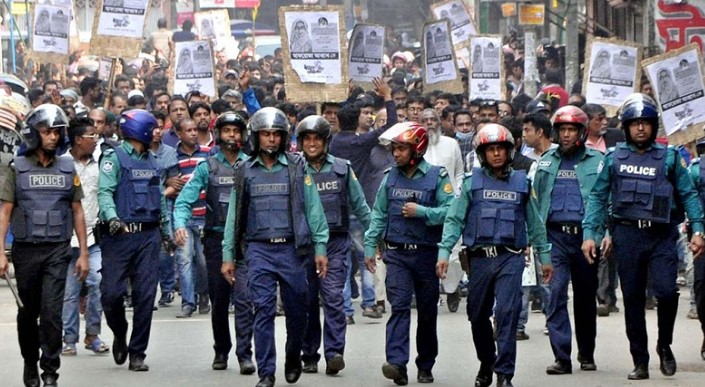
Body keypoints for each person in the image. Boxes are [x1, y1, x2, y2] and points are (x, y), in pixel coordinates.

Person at [582, 93, 705, 380]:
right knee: (634, 298)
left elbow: (688, 194)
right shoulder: (613, 158)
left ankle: (665, 344)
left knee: (666, 291)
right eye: (634, 123)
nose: (640, 128)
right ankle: (640, 359)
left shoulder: (671, 157)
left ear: (653, 125)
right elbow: (598, 197)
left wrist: (698, 229)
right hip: (627, 235)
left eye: (645, 123)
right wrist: (591, 233)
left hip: (662, 235)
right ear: (625, 127)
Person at [221, 107, 329, 387]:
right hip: (258, 251)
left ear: (283, 138)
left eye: (276, 135)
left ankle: (293, 356)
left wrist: (320, 247)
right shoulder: (244, 170)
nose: (271, 139)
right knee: (263, 310)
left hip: (293, 251)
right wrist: (228, 255)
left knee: (298, 312)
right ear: (256, 137)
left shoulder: (296, 167)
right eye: (265, 134)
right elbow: (234, 214)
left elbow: (313, 208)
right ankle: (266, 372)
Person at [437, 124, 552, 387]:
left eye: (501, 148)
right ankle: (487, 361)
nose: (497, 154)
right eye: (491, 150)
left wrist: (544, 257)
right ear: (482, 154)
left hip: (510, 258)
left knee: (507, 313)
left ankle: (504, 373)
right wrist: (444, 252)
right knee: (477, 316)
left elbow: (534, 224)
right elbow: (454, 219)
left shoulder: (523, 183)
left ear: (510, 151)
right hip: (479, 259)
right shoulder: (470, 184)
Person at [0, 104, 90, 387]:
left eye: (56, 132)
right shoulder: (18, 168)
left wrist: (84, 254)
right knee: (28, 313)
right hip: (26, 251)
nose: (53, 137)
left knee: (52, 314)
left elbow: (77, 211)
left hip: (57, 250)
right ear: (34, 134)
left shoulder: (67, 167)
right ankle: (30, 363)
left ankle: (50, 370)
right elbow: (5, 211)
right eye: (47, 131)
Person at [364, 122, 454, 385]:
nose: (396, 153)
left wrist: (423, 212)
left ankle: (425, 365)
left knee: (427, 312)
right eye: (394, 149)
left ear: (417, 148)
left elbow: (451, 211)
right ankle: (396, 363)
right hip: (397, 254)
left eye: (402, 148)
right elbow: (379, 214)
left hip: (426, 255)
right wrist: (370, 245)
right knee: (400, 306)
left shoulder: (437, 177)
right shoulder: (389, 176)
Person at [173, 112, 254, 373]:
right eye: (227, 130)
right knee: (219, 300)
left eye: (236, 131)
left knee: (244, 299)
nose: (232, 135)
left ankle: (245, 354)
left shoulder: (251, 166)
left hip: (245, 242)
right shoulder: (207, 167)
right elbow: (184, 200)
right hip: (216, 240)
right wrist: (180, 224)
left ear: (243, 135)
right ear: (218, 134)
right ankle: (221, 351)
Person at [296, 115, 371, 375]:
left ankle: (334, 353)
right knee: (305, 303)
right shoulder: (294, 169)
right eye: (307, 139)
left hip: (336, 244)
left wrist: (374, 236)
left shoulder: (342, 168)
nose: (312, 143)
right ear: (300, 142)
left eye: (317, 138)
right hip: (302, 247)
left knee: (333, 299)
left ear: (326, 141)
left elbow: (360, 205)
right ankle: (309, 354)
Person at [532, 106, 605, 375]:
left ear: (582, 132)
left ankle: (586, 352)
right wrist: (536, 241)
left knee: (585, 298)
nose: (565, 135)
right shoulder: (546, 162)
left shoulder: (597, 161)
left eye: (571, 130)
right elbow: (536, 202)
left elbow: (604, 201)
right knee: (555, 293)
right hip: (554, 239)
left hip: (586, 239)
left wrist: (600, 235)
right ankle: (562, 356)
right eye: (562, 130)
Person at [97, 109, 170, 372]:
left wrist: (167, 232)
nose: (157, 132)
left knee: (145, 295)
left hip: (148, 236)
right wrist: (112, 218)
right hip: (119, 235)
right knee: (111, 294)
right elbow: (104, 192)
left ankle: (137, 352)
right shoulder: (113, 158)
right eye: (153, 128)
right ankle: (119, 331)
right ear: (140, 130)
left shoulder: (152, 161)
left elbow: (160, 198)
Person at [61, 118, 110, 357]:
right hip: (65, 241)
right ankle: (69, 339)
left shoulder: (99, 165)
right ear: (79, 139)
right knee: (70, 292)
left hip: (93, 239)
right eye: (92, 136)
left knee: (98, 284)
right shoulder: (62, 164)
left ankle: (93, 334)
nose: (96, 140)